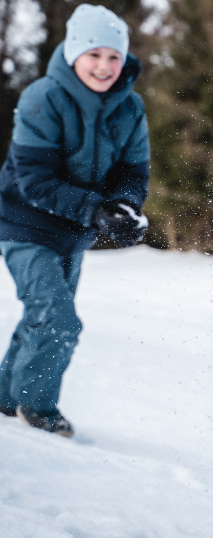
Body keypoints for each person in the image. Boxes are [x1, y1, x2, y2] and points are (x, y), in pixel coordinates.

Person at [0, 4, 150, 436]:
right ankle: (38, 408)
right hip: (25, 225)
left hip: (74, 232)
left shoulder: (130, 108)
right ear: (72, 54)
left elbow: (132, 172)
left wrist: (123, 206)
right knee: (57, 319)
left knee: (41, 315)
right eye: (94, 54)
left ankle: (7, 400)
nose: (104, 66)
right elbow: (34, 180)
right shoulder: (42, 97)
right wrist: (95, 210)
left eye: (113, 56)